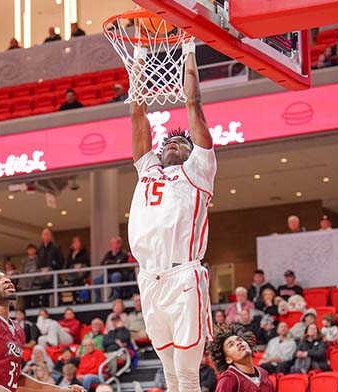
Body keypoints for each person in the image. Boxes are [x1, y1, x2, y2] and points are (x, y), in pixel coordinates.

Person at [128, 38, 214, 392]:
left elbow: (193, 103)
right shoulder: (147, 167)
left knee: (188, 374)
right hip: (149, 278)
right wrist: (139, 55)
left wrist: (189, 49)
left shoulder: (198, 170)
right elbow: (137, 112)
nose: (171, 144)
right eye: (167, 143)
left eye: (181, 143)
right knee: (170, 374)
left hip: (183, 276)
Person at [0, 267, 81, 392]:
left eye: (6, 278)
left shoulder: (18, 329)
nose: (6, 280)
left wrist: (58, 390)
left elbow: (15, 379)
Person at [209, 324, 275, 392]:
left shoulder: (264, 373)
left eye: (240, 340)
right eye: (231, 344)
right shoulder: (229, 379)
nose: (238, 343)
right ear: (228, 359)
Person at [93, 237, 130, 301]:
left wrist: (108, 262)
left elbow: (119, 262)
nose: (112, 245)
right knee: (96, 280)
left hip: (119, 274)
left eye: (114, 243)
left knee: (115, 276)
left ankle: (116, 297)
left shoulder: (123, 254)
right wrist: (111, 263)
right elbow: (102, 263)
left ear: (119, 244)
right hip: (108, 274)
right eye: (111, 243)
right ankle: (97, 299)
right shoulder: (109, 254)